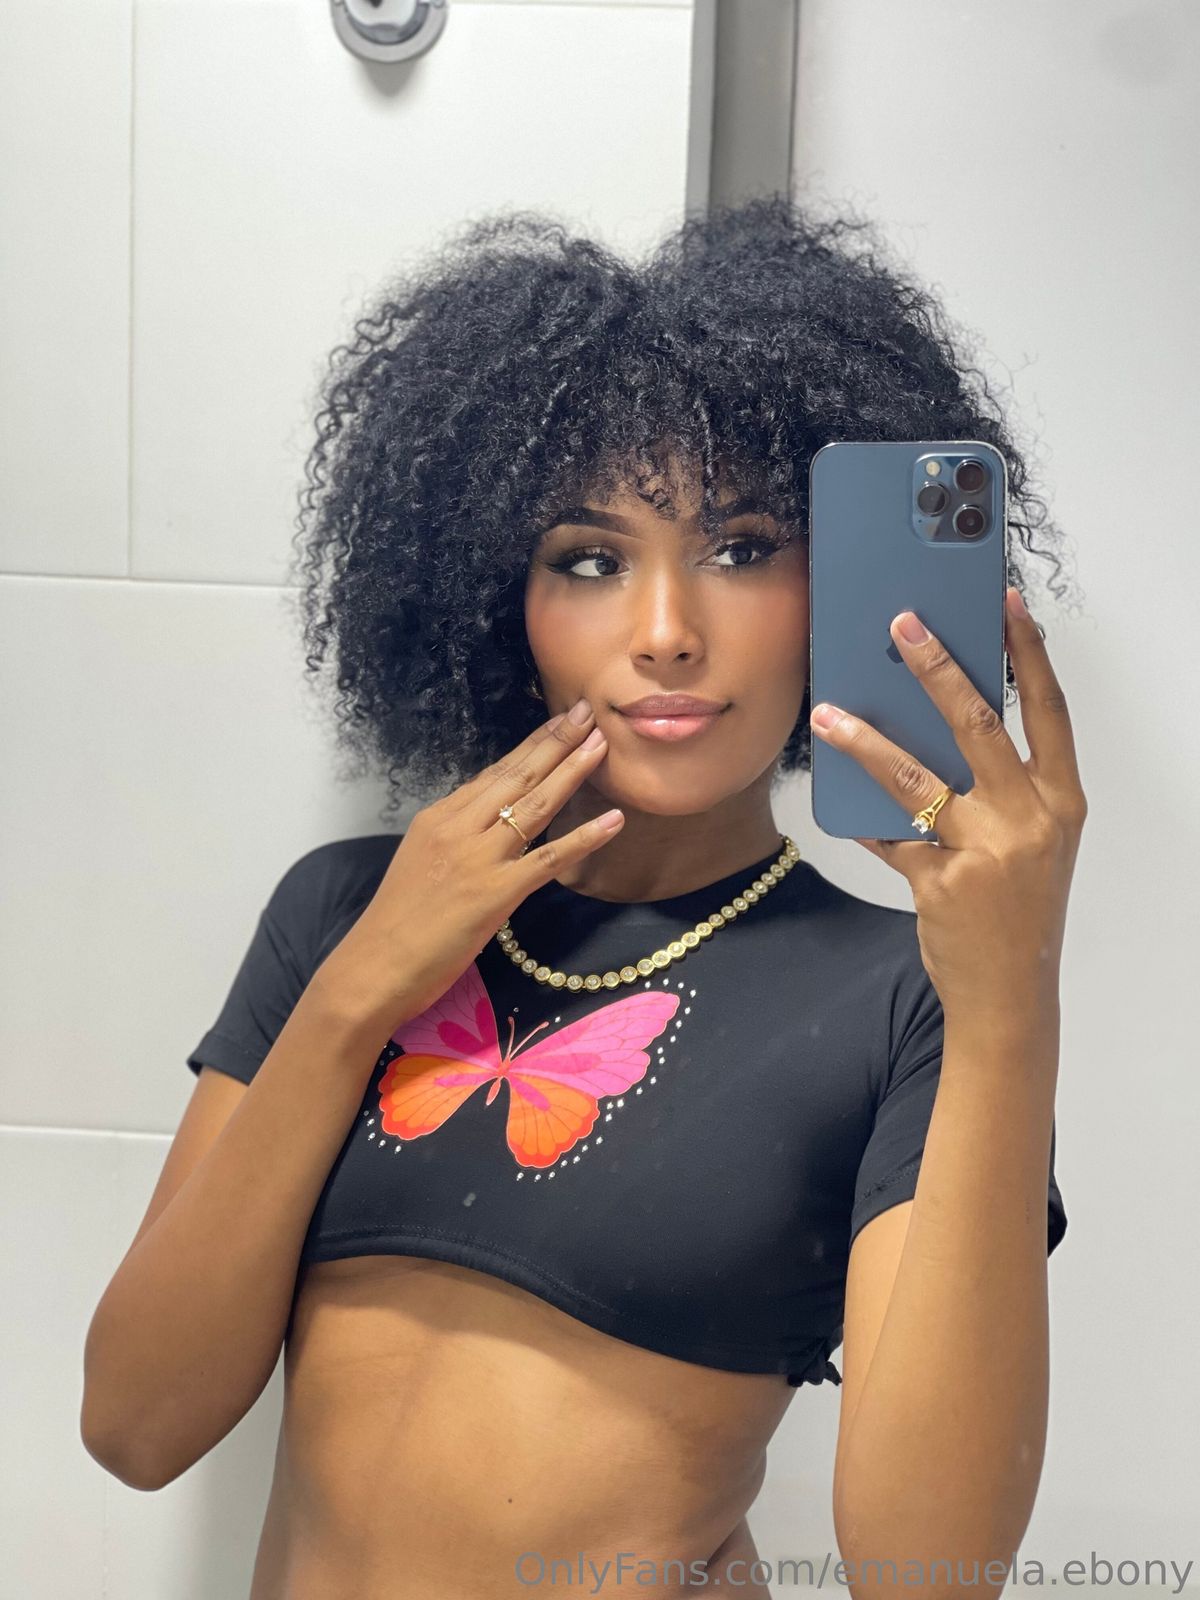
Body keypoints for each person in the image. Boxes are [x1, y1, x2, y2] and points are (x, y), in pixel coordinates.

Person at [81, 196, 1086, 1599]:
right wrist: (364, 988)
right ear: (499, 600)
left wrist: (1012, 995)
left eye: (743, 547)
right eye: (591, 560)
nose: (666, 633)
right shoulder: (344, 913)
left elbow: (932, 1572)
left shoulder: (905, 999)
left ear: (835, 589)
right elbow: (135, 1425)